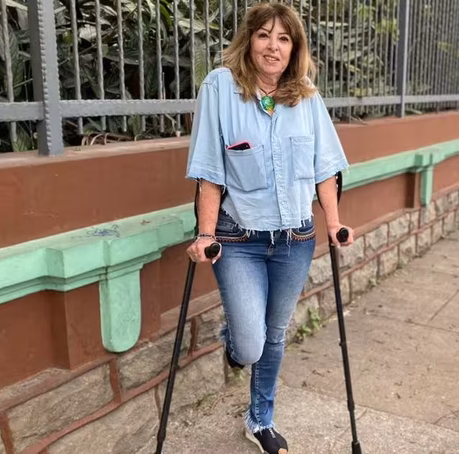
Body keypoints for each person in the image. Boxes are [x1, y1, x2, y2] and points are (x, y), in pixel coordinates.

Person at [184, 3, 354, 453]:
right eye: (263, 35)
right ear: (249, 41)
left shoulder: (307, 96)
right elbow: (209, 171)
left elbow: (325, 168)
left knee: (274, 336)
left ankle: (260, 420)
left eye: (283, 38)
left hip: (295, 239)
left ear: (294, 48)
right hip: (238, 238)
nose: (273, 46)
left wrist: (334, 222)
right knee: (250, 345)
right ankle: (236, 344)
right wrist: (205, 234)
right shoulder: (220, 88)